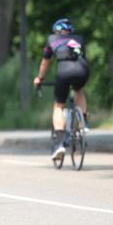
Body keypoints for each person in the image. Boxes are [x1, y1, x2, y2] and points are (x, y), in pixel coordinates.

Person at [33, 18, 89, 162]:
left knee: (59, 105)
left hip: (64, 71)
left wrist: (40, 78)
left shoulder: (52, 39)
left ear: (56, 31)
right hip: (83, 70)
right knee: (78, 90)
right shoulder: (79, 39)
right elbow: (82, 57)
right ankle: (83, 124)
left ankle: (59, 144)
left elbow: (45, 62)